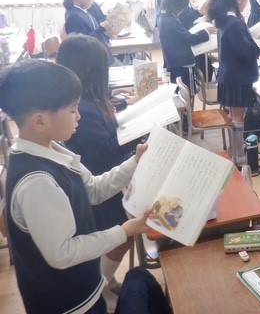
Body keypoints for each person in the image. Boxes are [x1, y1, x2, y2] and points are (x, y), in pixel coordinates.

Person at [0, 59, 150, 314]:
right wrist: (123, 231)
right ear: (39, 121)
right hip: (68, 304)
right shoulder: (37, 182)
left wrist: (135, 162)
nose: (79, 116)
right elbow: (63, 253)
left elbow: (94, 189)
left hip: (83, 288)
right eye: (72, 110)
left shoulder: (51, 148)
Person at [56, 35, 141, 310]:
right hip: (100, 182)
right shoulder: (82, 107)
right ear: (91, 70)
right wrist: (135, 135)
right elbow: (104, 152)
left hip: (102, 180)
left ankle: (106, 280)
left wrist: (120, 111)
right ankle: (100, 284)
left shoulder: (84, 100)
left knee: (121, 236)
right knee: (120, 236)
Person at [208, 0, 260, 166]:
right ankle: (238, 156)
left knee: (234, 115)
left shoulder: (225, 20)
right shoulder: (234, 23)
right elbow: (245, 52)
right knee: (238, 117)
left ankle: (235, 150)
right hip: (237, 77)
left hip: (230, 75)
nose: (247, 1)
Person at [158, 0, 215, 84]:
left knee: (179, 86)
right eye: (182, 8)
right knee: (186, 87)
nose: (182, 10)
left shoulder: (164, 17)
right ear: (176, 5)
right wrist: (206, 31)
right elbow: (190, 39)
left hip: (174, 61)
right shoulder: (170, 21)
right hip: (181, 62)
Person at [63, 0, 113, 64]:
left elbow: (92, 33)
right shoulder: (74, 16)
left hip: (100, 58)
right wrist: (101, 29)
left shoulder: (84, 11)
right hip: (92, 63)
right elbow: (81, 44)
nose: (92, 0)